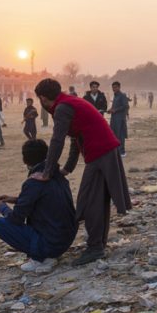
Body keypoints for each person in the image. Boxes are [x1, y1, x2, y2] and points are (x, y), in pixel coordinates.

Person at [33, 78, 131, 266]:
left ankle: (95, 247)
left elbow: (57, 140)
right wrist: (67, 169)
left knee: (88, 200)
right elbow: (75, 137)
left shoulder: (62, 108)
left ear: (43, 98)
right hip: (103, 151)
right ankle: (97, 244)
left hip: (100, 152)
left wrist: (46, 172)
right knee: (98, 200)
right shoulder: (68, 103)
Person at [0, 139, 77, 274]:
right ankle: (45, 255)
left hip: (50, 243)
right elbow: (44, 200)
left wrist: (2, 208)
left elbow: (16, 219)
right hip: (65, 239)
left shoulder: (34, 181)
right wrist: (14, 199)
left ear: (25, 160)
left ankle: (41, 258)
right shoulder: (57, 174)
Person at [108, 82, 129, 157]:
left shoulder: (122, 95)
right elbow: (115, 106)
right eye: (113, 87)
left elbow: (125, 106)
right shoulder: (115, 96)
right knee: (114, 135)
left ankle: (122, 152)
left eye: (116, 87)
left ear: (119, 87)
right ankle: (116, 151)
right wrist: (111, 110)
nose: (114, 89)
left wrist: (115, 110)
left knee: (120, 135)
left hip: (120, 119)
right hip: (114, 119)